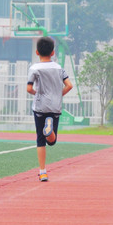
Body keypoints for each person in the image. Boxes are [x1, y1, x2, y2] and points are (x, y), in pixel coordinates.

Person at [27, 37, 73, 182]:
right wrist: (58, 95)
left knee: (40, 140)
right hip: (55, 106)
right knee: (52, 141)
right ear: (53, 52)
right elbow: (69, 85)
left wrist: (37, 94)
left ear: (37, 52)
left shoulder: (35, 68)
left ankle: (43, 172)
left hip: (40, 106)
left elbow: (29, 88)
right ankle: (50, 130)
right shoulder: (59, 68)